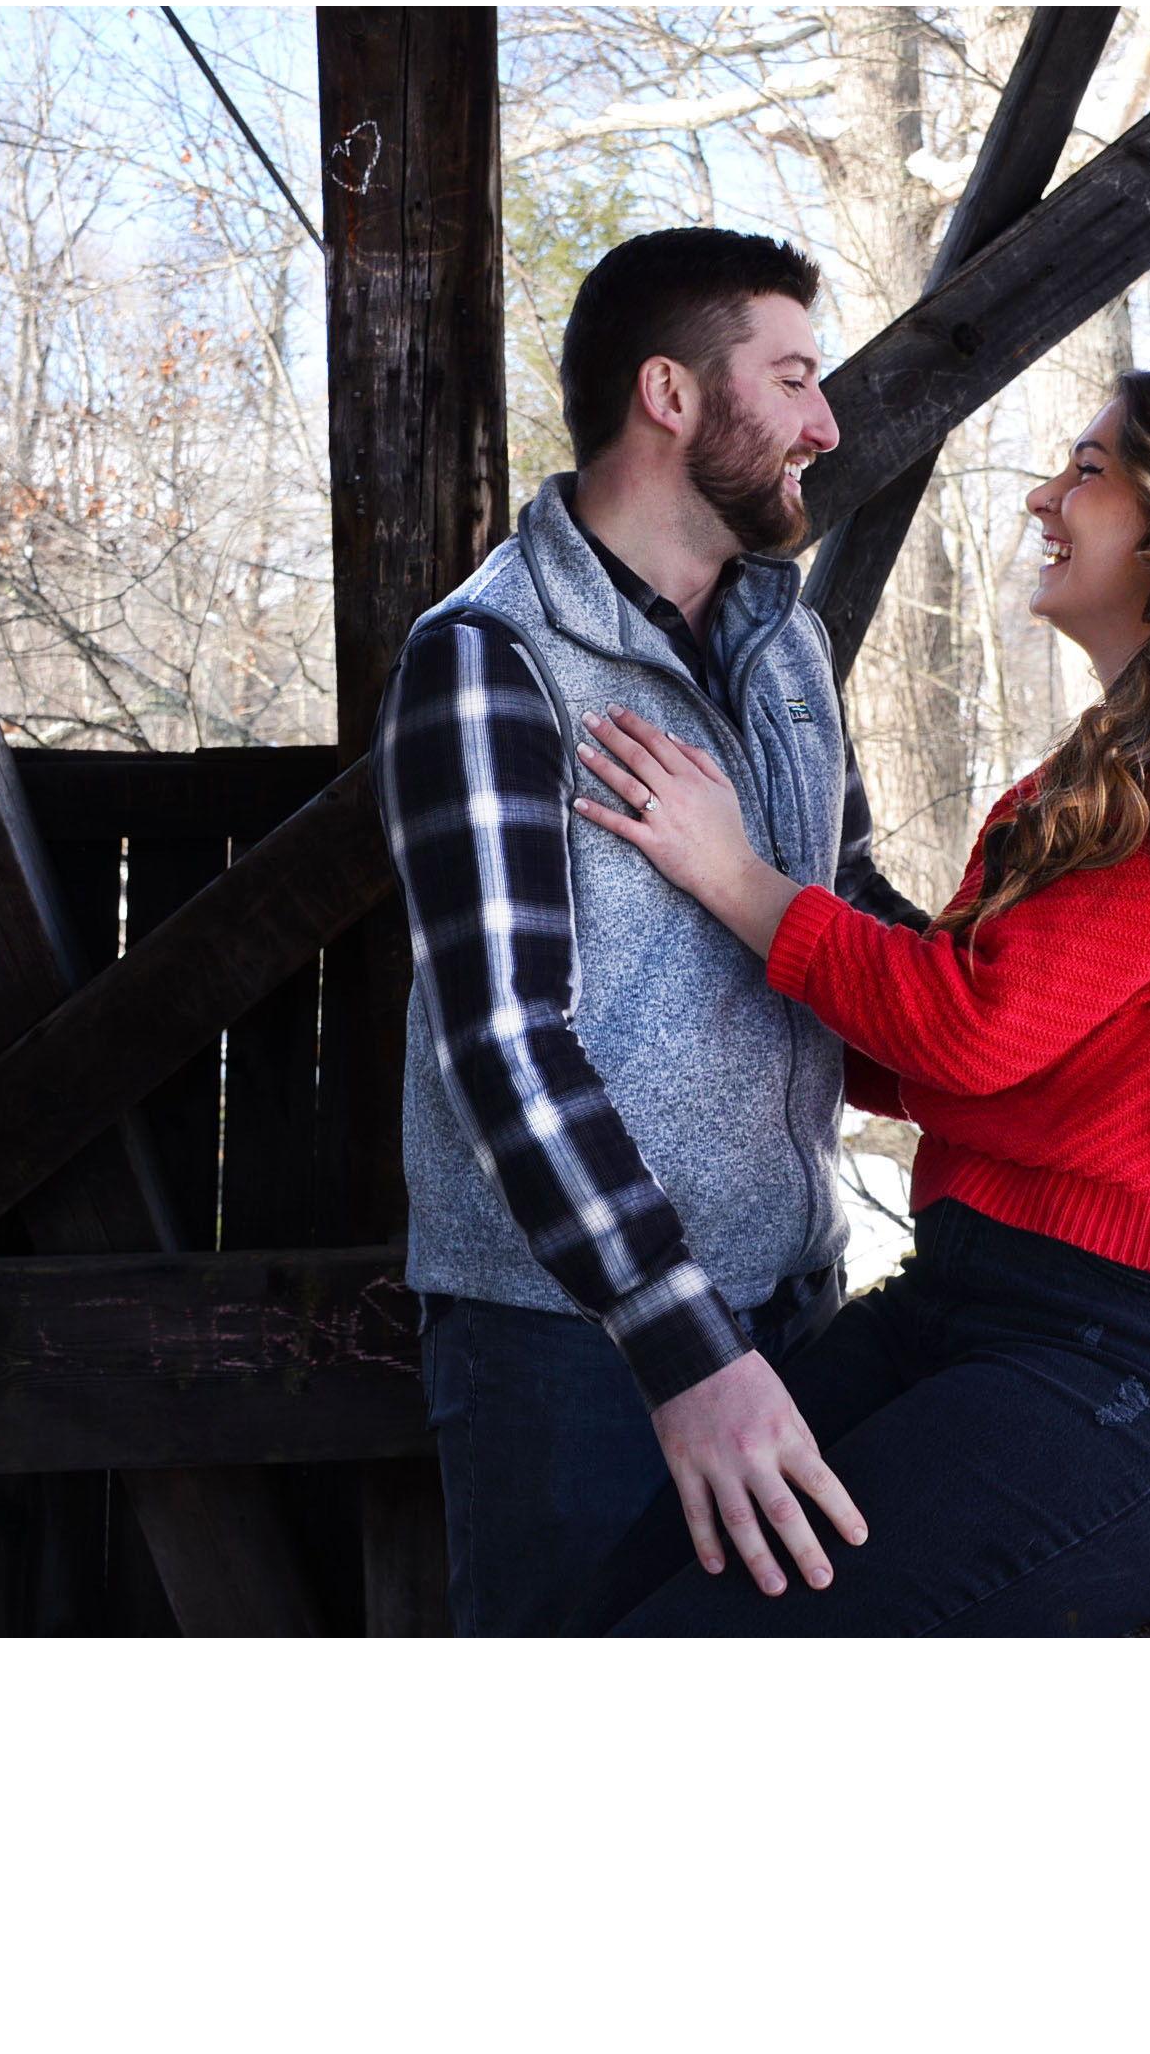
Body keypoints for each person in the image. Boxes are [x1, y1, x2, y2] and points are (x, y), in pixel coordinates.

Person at [563, 370, 1150, 1635]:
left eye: (1089, 469)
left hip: (1144, 1363)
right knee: (622, 1603)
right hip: (964, 1301)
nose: (1041, 497)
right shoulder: (1083, 776)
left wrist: (734, 876)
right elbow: (940, 1064)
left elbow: (965, 1025)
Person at [371, 226, 928, 1637]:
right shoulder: (491, 656)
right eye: (794, 376)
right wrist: (689, 1354)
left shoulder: (782, 637)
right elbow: (504, 1042)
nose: (826, 421)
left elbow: (843, 902)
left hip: (800, 1301)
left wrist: (1024, 993)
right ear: (671, 396)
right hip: (575, 1361)